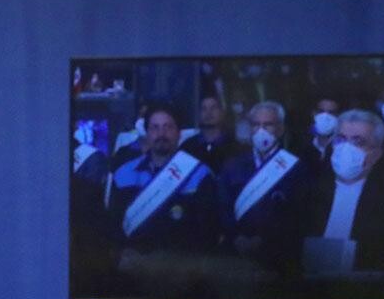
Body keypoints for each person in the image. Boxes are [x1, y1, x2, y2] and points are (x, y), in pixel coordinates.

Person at [104, 105, 221, 280]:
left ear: (179, 133)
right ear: (147, 134)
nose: (161, 133)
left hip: (180, 273)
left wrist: (162, 262)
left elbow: (208, 233)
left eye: (168, 127)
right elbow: (113, 225)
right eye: (155, 127)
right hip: (132, 271)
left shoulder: (199, 174)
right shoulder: (124, 174)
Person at [302, 109, 384, 272]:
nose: (346, 148)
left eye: (358, 142)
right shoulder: (309, 189)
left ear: (376, 154)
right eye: (341, 140)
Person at [216, 101, 307, 274]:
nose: (261, 130)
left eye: (268, 125)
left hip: (279, 259)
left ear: (280, 129)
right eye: (256, 125)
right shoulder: (232, 166)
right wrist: (236, 237)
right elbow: (223, 207)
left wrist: (264, 240)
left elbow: (297, 215)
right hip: (235, 258)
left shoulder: (295, 168)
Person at [178, 94, 241, 172]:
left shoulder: (235, 148)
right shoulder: (188, 147)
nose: (209, 113)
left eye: (213, 108)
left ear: (222, 113)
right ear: (198, 114)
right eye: (204, 109)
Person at [298, 97, 341, 179]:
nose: (325, 116)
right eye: (321, 111)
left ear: (338, 116)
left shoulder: (342, 147)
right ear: (313, 114)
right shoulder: (301, 145)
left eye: (331, 113)